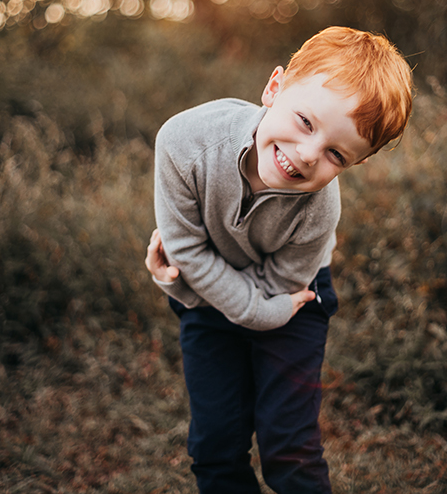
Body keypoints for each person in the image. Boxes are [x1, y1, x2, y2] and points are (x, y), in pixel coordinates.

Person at [144, 26, 413, 494]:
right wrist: (187, 286)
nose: (307, 155)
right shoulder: (184, 142)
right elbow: (183, 249)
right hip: (215, 303)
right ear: (274, 87)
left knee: (289, 449)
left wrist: (185, 283)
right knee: (215, 447)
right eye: (306, 121)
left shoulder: (321, 206)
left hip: (293, 300)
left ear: (355, 163)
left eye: (335, 153)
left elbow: (279, 287)